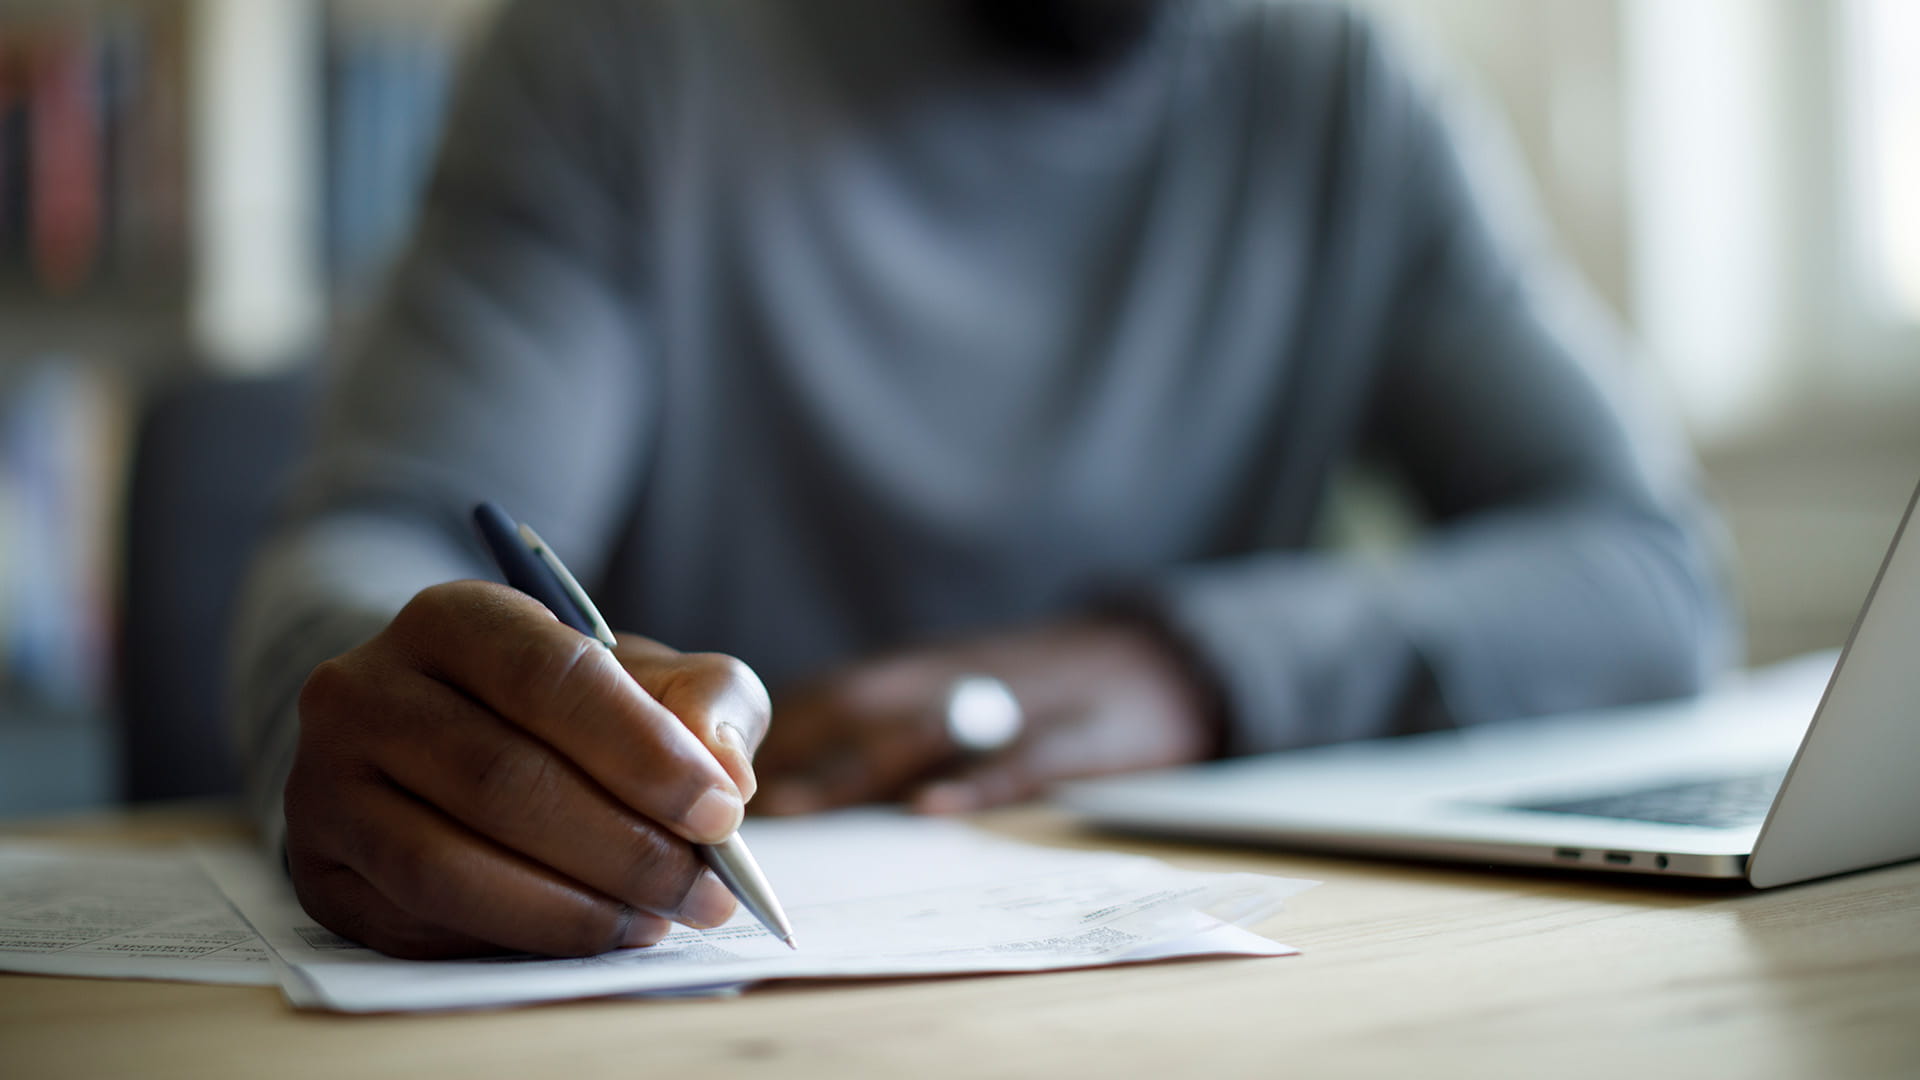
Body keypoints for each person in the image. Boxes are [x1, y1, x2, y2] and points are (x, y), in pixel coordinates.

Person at [230, 0, 1733, 959]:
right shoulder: (621, 55)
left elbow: (1644, 562)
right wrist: (385, 716)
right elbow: (380, 543)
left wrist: (1183, 669)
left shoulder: (1339, 86)